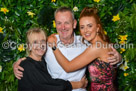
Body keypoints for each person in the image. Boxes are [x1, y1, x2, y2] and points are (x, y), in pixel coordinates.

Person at [14, 7, 121, 91]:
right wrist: (18, 65)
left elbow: (105, 55)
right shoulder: (46, 42)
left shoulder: (85, 42)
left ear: (74, 24)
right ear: (55, 24)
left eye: (67, 23)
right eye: (59, 23)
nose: (63, 27)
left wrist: (119, 59)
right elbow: (34, 55)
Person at [48, 7, 119, 91]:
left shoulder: (95, 46)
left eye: (89, 26)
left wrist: (54, 47)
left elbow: (68, 67)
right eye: (82, 27)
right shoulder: (90, 43)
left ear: (97, 28)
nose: (85, 31)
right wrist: (119, 59)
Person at [18, 28, 87, 91]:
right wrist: (78, 84)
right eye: (35, 42)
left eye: (42, 41)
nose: (40, 45)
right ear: (29, 46)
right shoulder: (27, 65)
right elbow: (51, 86)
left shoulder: (43, 62)